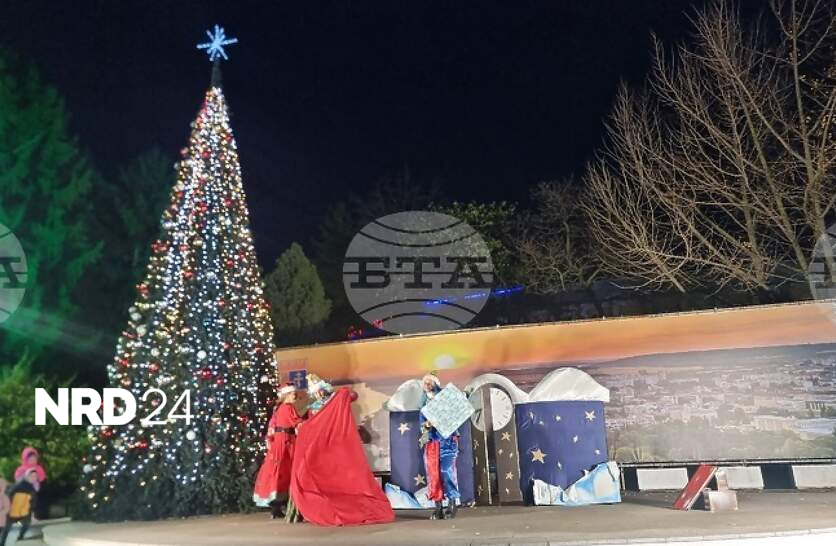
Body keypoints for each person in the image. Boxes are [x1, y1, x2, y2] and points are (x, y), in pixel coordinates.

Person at [286, 373, 394, 526]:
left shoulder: (333, 401)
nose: (318, 394)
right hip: (319, 446)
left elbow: (352, 396)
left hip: (334, 442)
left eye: (320, 390)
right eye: (315, 392)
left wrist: (342, 394)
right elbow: (311, 424)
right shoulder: (312, 407)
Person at [253, 383, 306, 519]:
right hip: (285, 442)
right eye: (293, 393)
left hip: (280, 441)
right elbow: (297, 423)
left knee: (278, 471)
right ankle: (282, 504)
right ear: (286, 395)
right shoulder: (287, 408)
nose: (295, 395)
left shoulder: (280, 408)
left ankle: (276, 507)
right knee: (286, 471)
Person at [419, 372, 461, 520]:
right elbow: (422, 427)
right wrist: (427, 425)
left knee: (446, 470)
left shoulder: (445, 400)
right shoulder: (424, 406)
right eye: (425, 382)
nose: (427, 385)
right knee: (433, 475)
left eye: (430, 382)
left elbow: (455, 416)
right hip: (432, 443)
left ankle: (452, 503)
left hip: (447, 441)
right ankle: (438, 507)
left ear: (435, 384)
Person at [1, 470, 38, 546]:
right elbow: (8, 496)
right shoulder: (18, 485)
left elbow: (32, 502)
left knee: (26, 525)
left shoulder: (32, 488)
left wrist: (31, 513)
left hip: (24, 512)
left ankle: (20, 537)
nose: (34, 478)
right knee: (6, 529)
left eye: (35, 476)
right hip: (12, 511)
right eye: (32, 476)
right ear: (26, 476)